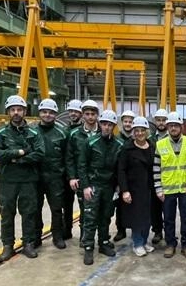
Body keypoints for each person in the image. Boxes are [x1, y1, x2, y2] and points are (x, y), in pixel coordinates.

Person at [0, 95, 44, 261]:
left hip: (28, 180)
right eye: (13, 110)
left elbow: (40, 154)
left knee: (29, 213)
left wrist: (17, 160)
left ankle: (28, 243)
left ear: (24, 112)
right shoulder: (0, 133)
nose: (16, 113)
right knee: (7, 213)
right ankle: (8, 245)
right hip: (7, 180)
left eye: (19, 110)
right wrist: (18, 152)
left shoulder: (34, 133)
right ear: (8, 112)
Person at [79, 110, 124, 265]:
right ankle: (88, 247)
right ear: (100, 124)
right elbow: (82, 165)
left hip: (109, 187)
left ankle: (103, 243)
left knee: (106, 216)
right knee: (90, 217)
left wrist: (118, 186)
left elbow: (120, 168)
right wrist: (85, 186)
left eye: (109, 125)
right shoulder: (90, 142)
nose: (106, 127)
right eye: (104, 124)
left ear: (114, 126)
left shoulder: (119, 144)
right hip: (93, 186)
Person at [154, 111, 186, 259]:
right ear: (167, 127)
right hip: (167, 189)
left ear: (181, 127)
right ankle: (170, 244)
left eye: (176, 125)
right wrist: (158, 188)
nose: (173, 128)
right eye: (171, 125)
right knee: (168, 219)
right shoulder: (160, 144)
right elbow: (156, 168)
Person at [117, 116, 156, 257]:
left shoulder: (151, 146)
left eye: (142, 130)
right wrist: (125, 190)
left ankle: (145, 241)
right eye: (137, 130)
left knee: (147, 217)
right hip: (134, 188)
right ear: (133, 132)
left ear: (147, 131)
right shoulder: (127, 148)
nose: (139, 133)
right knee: (136, 217)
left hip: (149, 188)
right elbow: (121, 170)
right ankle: (138, 243)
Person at [34, 98, 68, 250]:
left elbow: (68, 157)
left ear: (55, 115)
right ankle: (36, 237)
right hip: (35, 177)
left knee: (56, 209)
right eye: (44, 112)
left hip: (55, 178)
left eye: (51, 112)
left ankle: (57, 236)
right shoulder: (31, 132)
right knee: (35, 208)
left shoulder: (62, 133)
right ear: (40, 113)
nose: (47, 115)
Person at [66, 99, 100, 242]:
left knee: (100, 210)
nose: (90, 117)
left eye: (93, 114)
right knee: (84, 209)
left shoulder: (103, 131)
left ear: (97, 115)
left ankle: (101, 236)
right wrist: (72, 177)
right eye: (87, 114)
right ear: (83, 115)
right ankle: (84, 237)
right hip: (82, 178)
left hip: (99, 179)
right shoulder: (75, 134)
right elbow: (69, 158)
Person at [114, 109, 136, 242]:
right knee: (119, 206)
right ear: (121, 123)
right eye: (126, 121)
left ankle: (135, 229)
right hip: (119, 177)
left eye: (130, 122)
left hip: (134, 178)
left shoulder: (137, 139)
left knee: (134, 205)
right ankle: (120, 230)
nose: (128, 124)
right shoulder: (117, 139)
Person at [62, 99, 83, 240]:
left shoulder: (84, 131)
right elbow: (65, 156)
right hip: (67, 175)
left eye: (76, 111)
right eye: (71, 111)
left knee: (85, 206)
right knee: (66, 205)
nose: (73, 114)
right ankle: (66, 231)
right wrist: (69, 176)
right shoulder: (64, 131)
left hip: (82, 174)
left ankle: (84, 233)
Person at [149, 108, 169, 245]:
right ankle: (157, 231)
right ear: (155, 121)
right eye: (159, 120)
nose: (161, 123)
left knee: (168, 209)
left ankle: (169, 232)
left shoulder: (173, 137)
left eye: (163, 120)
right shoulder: (150, 139)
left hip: (169, 178)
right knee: (154, 208)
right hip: (153, 177)